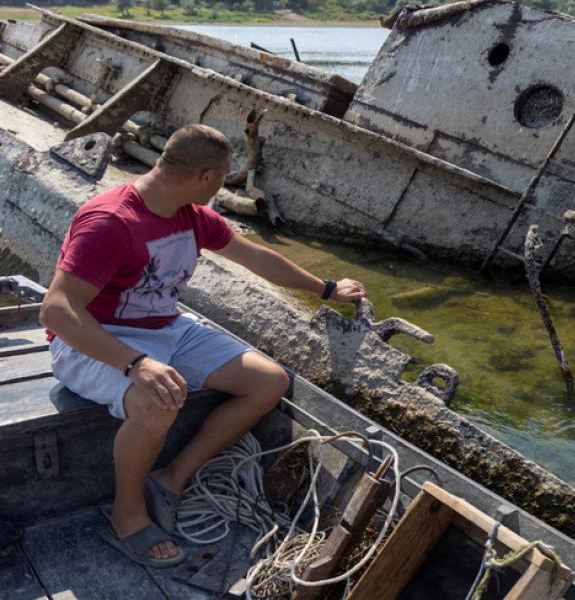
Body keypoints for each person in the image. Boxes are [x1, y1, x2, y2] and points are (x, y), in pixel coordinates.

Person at [39, 124, 366, 567]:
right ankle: (127, 512)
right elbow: (57, 312)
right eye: (225, 177)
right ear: (208, 177)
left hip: (165, 328)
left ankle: (171, 478)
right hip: (91, 340)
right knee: (158, 402)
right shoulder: (111, 222)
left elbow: (257, 258)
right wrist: (136, 364)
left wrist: (326, 288)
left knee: (268, 383)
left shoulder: (192, 215)